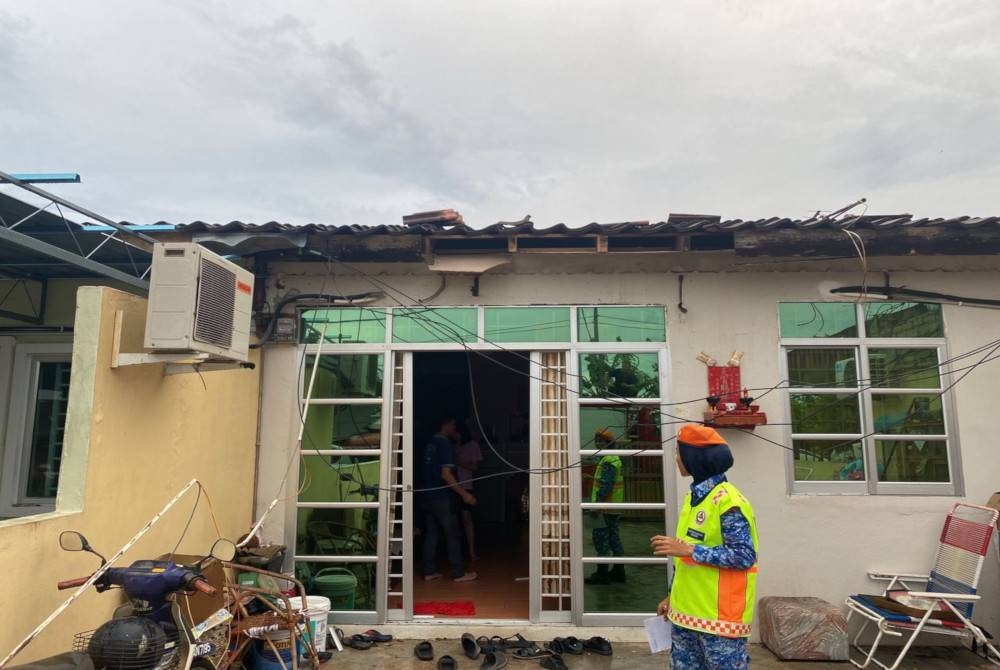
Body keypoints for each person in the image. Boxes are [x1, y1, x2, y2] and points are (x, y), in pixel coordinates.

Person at [651, 423, 759, 670]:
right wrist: (672, 597)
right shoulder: (693, 498)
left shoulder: (728, 501)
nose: (676, 459)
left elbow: (744, 555)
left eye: (679, 453)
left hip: (719, 622)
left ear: (694, 458)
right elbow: (684, 562)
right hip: (685, 617)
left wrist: (690, 550)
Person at [421, 415, 478, 583]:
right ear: (445, 425)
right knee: (452, 534)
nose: (454, 428)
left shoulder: (429, 443)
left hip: (426, 495)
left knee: (431, 534)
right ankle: (458, 573)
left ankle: (429, 571)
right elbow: (446, 475)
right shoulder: (444, 444)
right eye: (453, 425)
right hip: (442, 498)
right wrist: (464, 494)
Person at [584, 428, 626, 585]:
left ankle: (602, 574)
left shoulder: (608, 461)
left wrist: (597, 506)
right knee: (614, 539)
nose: (598, 444)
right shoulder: (612, 458)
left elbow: (606, 485)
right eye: (597, 441)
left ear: (609, 443)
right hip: (613, 507)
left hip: (605, 508)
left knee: (601, 539)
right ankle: (619, 572)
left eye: (601, 441)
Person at [455, 420, 484, 561]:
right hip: (452, 487)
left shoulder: (472, 445)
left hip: (466, 486)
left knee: (467, 520)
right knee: (454, 521)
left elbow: (475, 467)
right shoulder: (451, 445)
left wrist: (459, 462)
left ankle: (471, 551)